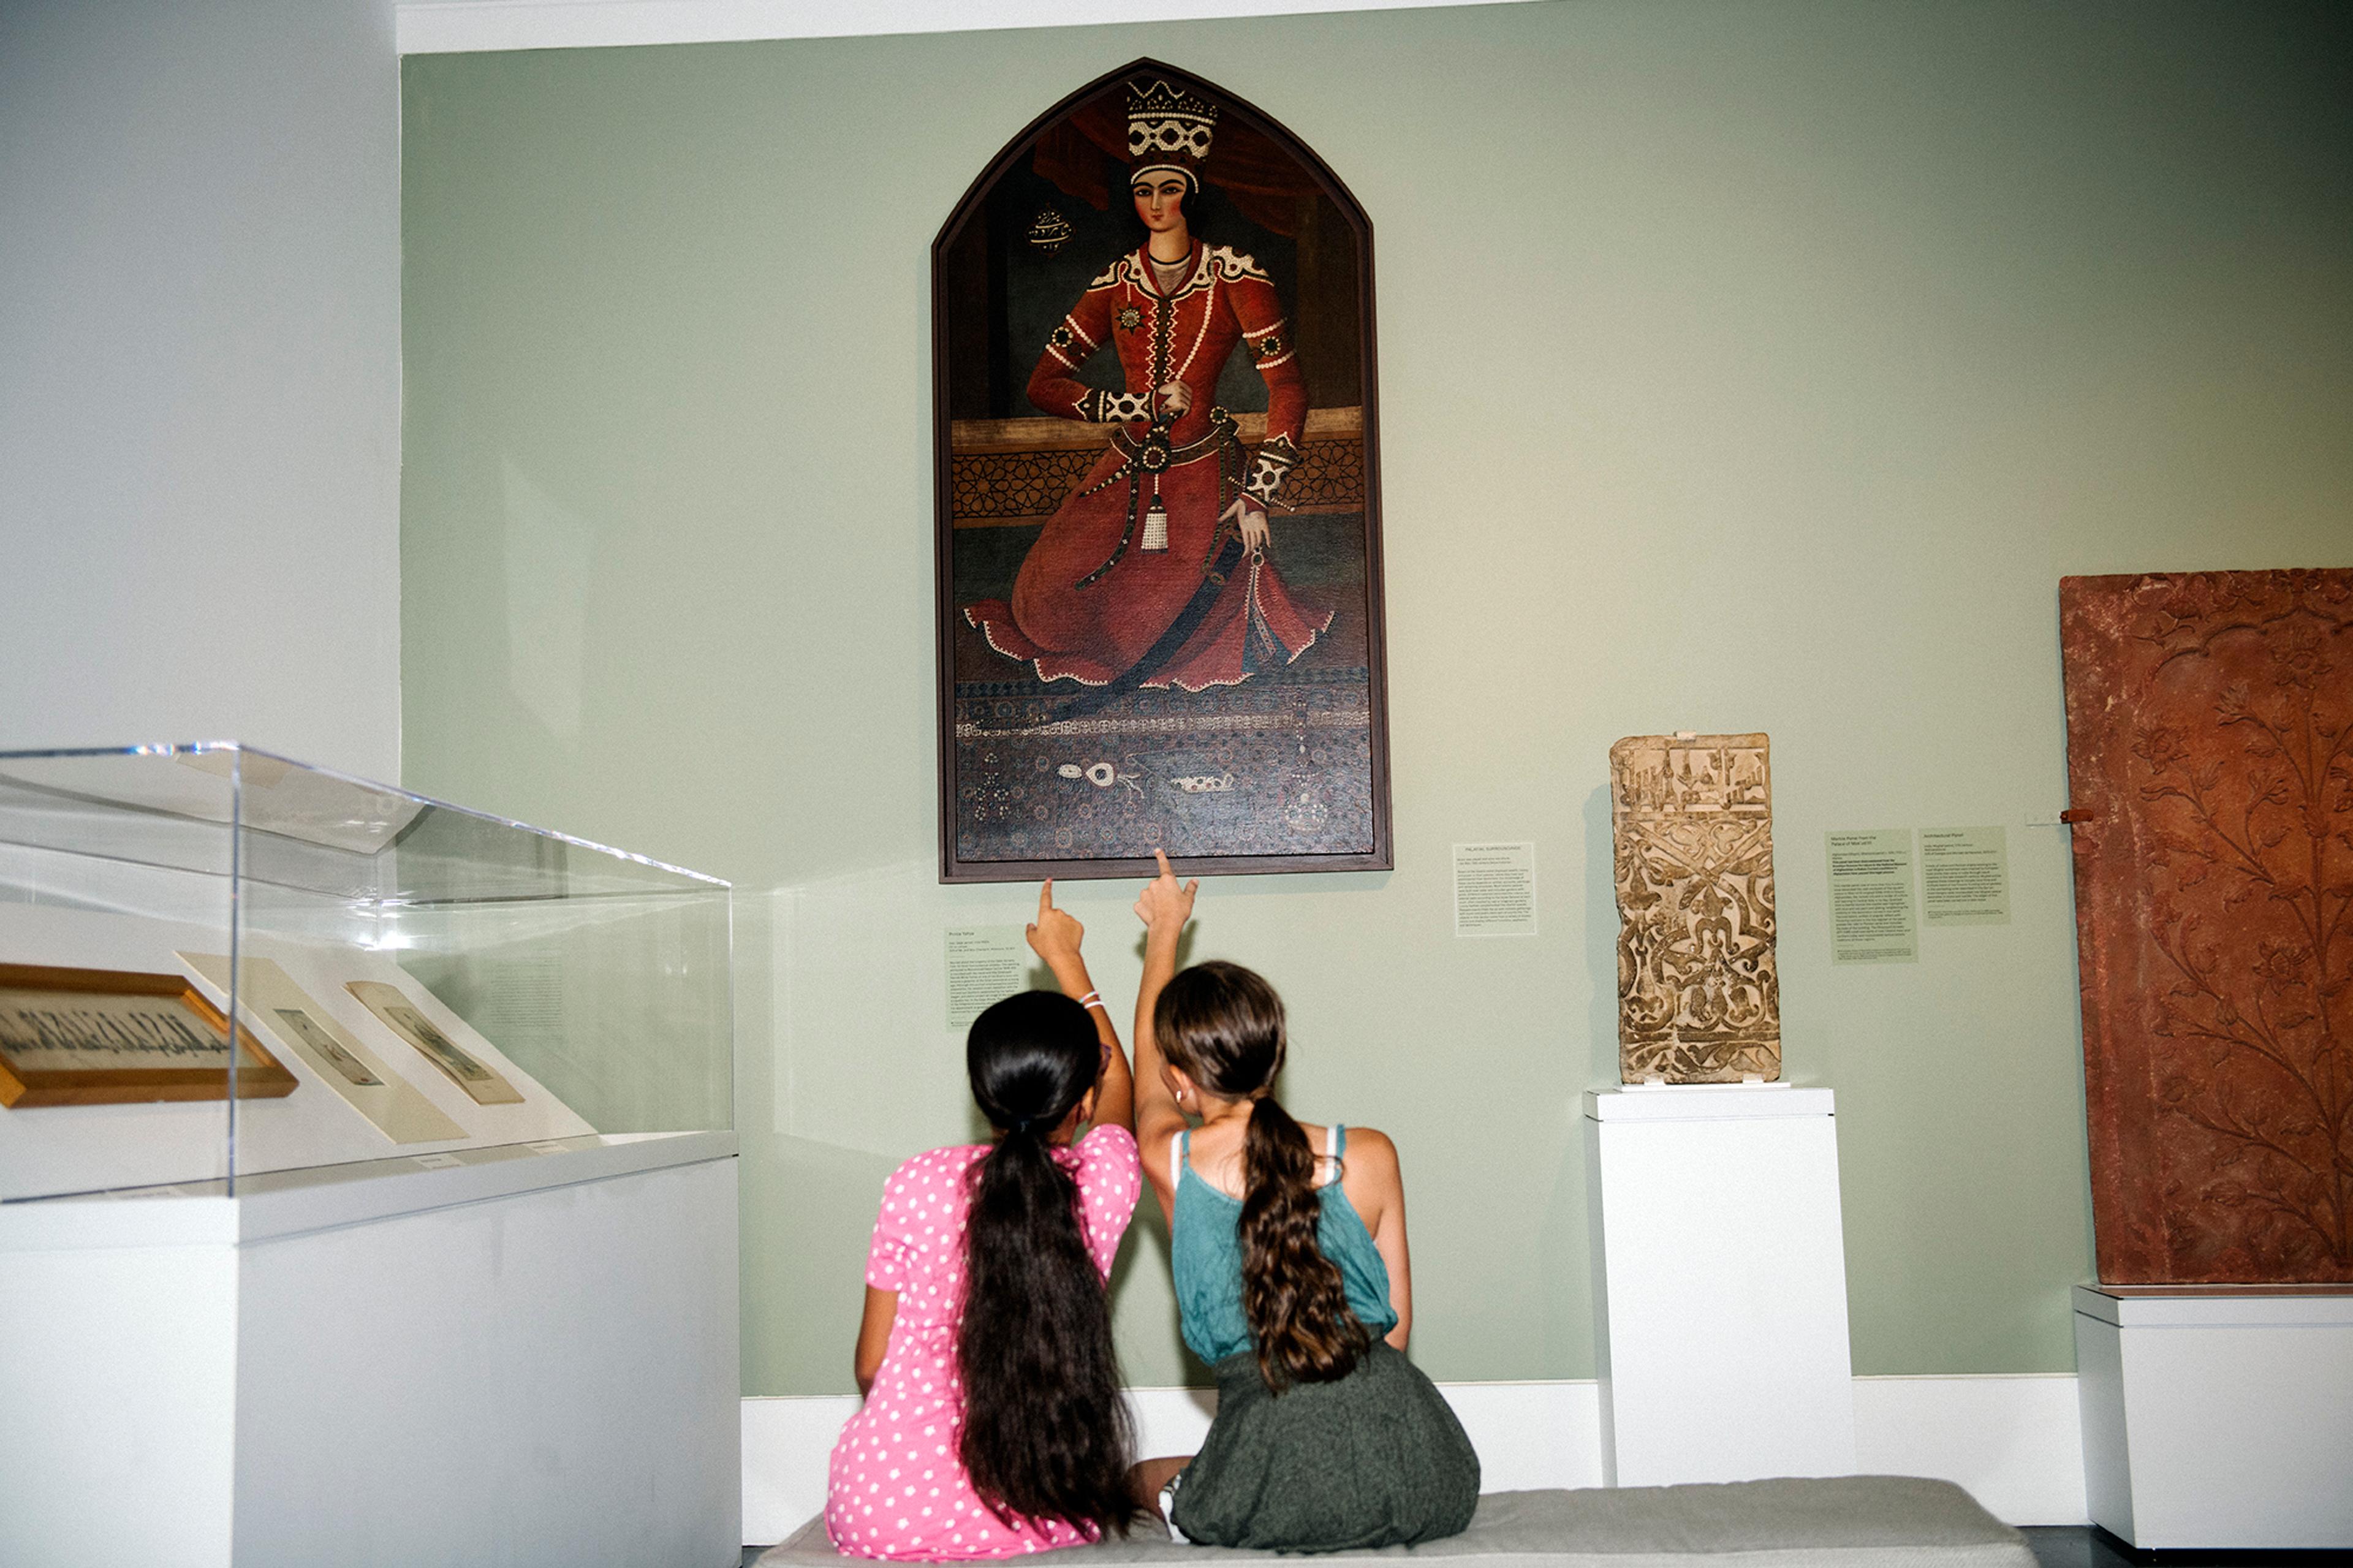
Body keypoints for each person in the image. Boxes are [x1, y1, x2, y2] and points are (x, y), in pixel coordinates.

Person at [1124, 850, 1480, 1550]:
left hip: (1271, 1474)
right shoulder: (1371, 1154)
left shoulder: (1170, 1159)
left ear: (1179, 1080)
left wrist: (1164, 932)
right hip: (1422, 1473)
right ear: (1276, 1056)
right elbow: (1397, 1333)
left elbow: (1142, 1082)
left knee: (1136, 1479)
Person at [964, 78, 1331, 694]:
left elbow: (1289, 389)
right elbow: (1043, 384)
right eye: (1143, 191)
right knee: (1041, 606)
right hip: (1126, 468)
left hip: (1203, 479)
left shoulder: (1236, 277)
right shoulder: (1114, 283)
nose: (1156, 202)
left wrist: (1260, 493)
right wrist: (1134, 404)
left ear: (1188, 194)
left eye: (1168, 189)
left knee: (1159, 629)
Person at [825, 884, 1142, 1559]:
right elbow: (1122, 1088)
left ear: (982, 1092)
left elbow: (869, 1366)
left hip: (881, 1509)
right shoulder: (1104, 1181)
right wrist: (1070, 965)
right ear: (1083, 1099)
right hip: (1039, 1506)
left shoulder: (916, 1179)